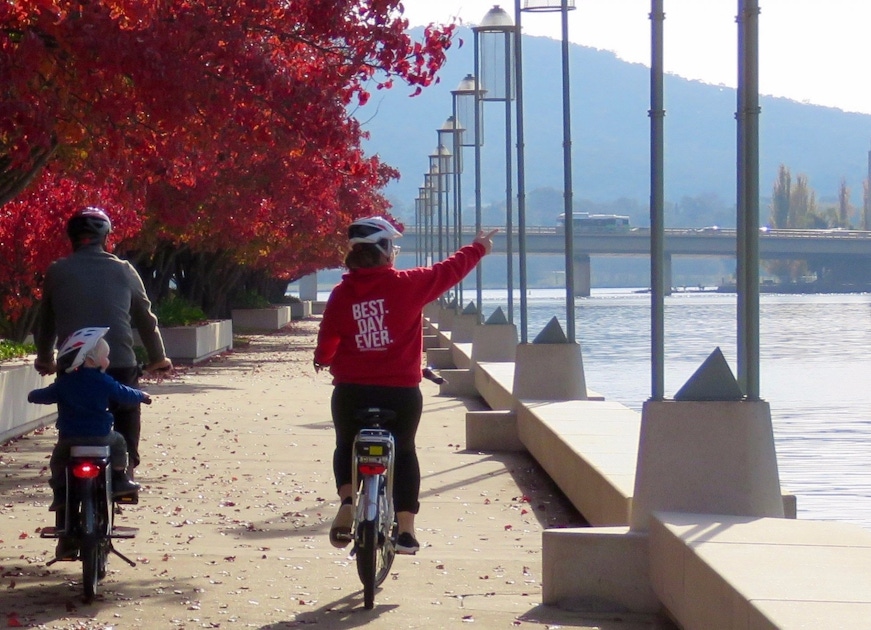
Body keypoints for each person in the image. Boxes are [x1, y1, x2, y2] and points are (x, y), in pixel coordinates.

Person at [313, 216, 496, 555]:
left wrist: (323, 359)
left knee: (345, 444)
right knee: (405, 451)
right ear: (385, 251)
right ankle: (407, 531)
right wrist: (479, 247)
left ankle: (349, 499)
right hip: (400, 392)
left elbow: (328, 341)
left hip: (351, 390)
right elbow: (450, 269)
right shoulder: (409, 284)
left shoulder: (341, 294)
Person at [33, 206, 172, 476]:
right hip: (118, 361)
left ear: (71, 237)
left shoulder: (57, 271)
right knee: (127, 411)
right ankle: (125, 469)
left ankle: (64, 485)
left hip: (71, 365)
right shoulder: (124, 270)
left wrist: (45, 359)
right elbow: (145, 317)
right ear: (106, 237)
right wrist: (158, 358)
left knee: (71, 417)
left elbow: (46, 321)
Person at [29, 327, 150, 512]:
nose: (108, 360)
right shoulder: (104, 381)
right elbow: (124, 393)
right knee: (119, 441)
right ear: (91, 359)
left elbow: (44, 395)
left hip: (70, 438)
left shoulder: (65, 382)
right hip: (101, 436)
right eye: (106, 356)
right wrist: (141, 395)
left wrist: (32, 395)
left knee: (58, 462)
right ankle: (120, 478)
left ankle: (60, 492)